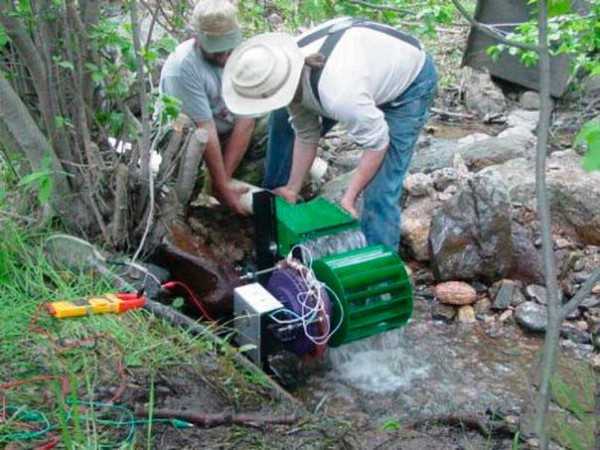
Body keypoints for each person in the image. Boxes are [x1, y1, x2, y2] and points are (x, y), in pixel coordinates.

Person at [222, 17, 437, 249]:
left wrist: (349, 197)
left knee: (380, 189)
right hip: (361, 71)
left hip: (408, 83)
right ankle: (278, 211)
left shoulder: (339, 95)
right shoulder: (283, 70)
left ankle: (380, 269)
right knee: (282, 120)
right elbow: (305, 134)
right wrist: (292, 188)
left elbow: (378, 143)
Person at [159, 0, 254, 215]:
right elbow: (205, 129)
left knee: (274, 118)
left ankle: (226, 185)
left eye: (227, 49)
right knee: (185, 133)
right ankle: (183, 207)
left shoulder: (240, 54)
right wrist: (222, 184)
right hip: (188, 137)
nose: (224, 57)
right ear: (197, 38)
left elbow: (246, 119)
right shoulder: (183, 67)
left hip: (224, 131)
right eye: (216, 51)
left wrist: (224, 181)